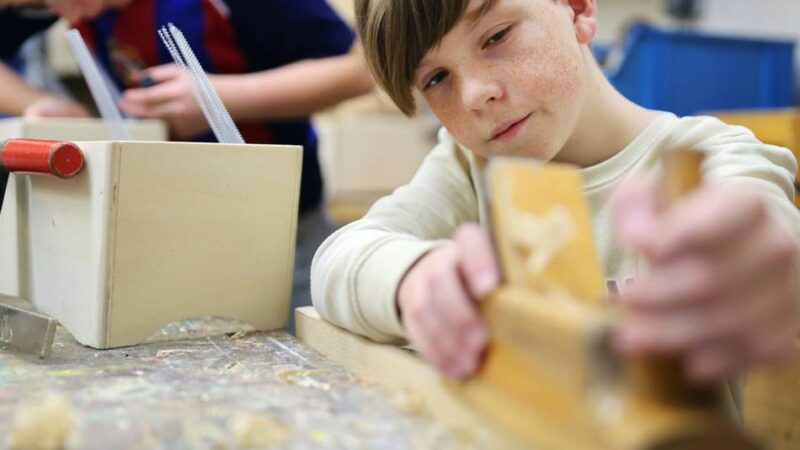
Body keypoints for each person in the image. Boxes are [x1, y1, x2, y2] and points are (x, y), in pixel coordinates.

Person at [310, 0, 800, 415]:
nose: (477, 94)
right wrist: (414, 277)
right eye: (437, 77)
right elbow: (339, 258)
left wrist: (744, 262)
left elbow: (761, 228)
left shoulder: (717, 156)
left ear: (578, 9)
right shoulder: (468, 165)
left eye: (496, 36)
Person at [0, 0, 374, 332]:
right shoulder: (69, 5)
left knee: (288, 338)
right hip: (160, 226)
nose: (59, 16)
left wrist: (223, 97)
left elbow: (362, 70)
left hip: (275, 226)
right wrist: (34, 102)